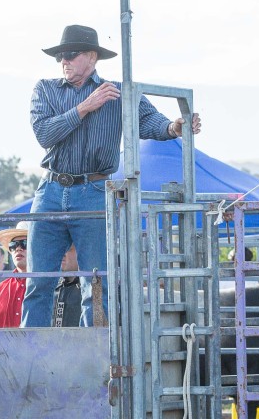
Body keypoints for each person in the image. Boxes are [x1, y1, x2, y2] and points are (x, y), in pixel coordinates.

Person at [24, 25, 200, 328]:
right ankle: (28, 350)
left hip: (92, 189)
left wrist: (175, 127)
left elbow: (149, 121)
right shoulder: (45, 88)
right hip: (51, 188)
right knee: (38, 281)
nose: (63, 60)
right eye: (60, 56)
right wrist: (85, 107)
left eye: (70, 54)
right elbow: (44, 134)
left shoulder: (117, 93)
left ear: (92, 57)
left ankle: (97, 350)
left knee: (96, 282)